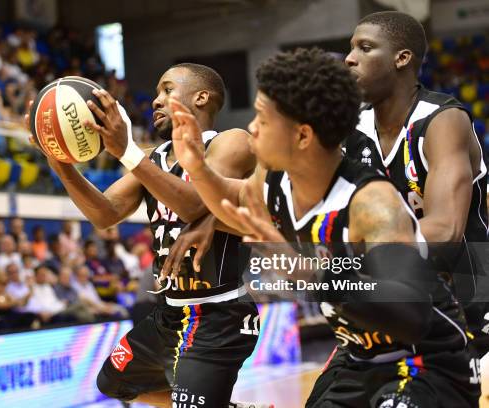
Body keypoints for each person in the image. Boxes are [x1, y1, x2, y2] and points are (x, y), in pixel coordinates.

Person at [167, 48, 479, 407]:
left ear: (302, 136)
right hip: (357, 359)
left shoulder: (373, 205)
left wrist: (316, 276)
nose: (251, 128)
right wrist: (198, 168)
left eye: (263, 120)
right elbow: (235, 200)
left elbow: (410, 316)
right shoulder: (274, 180)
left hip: (427, 362)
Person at [26, 63, 260, 407]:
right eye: (155, 93)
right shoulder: (155, 159)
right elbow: (105, 214)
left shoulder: (231, 142)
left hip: (218, 316)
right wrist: (60, 163)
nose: (156, 100)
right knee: (112, 382)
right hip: (169, 315)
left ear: (201, 97)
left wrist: (125, 151)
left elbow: (196, 206)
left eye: (167, 90)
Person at [343, 11, 489, 381]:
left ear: (402, 58)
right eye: (350, 48)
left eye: (365, 47)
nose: (349, 58)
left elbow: (446, 231)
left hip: (474, 306)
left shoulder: (441, 120)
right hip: (405, 309)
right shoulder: (351, 130)